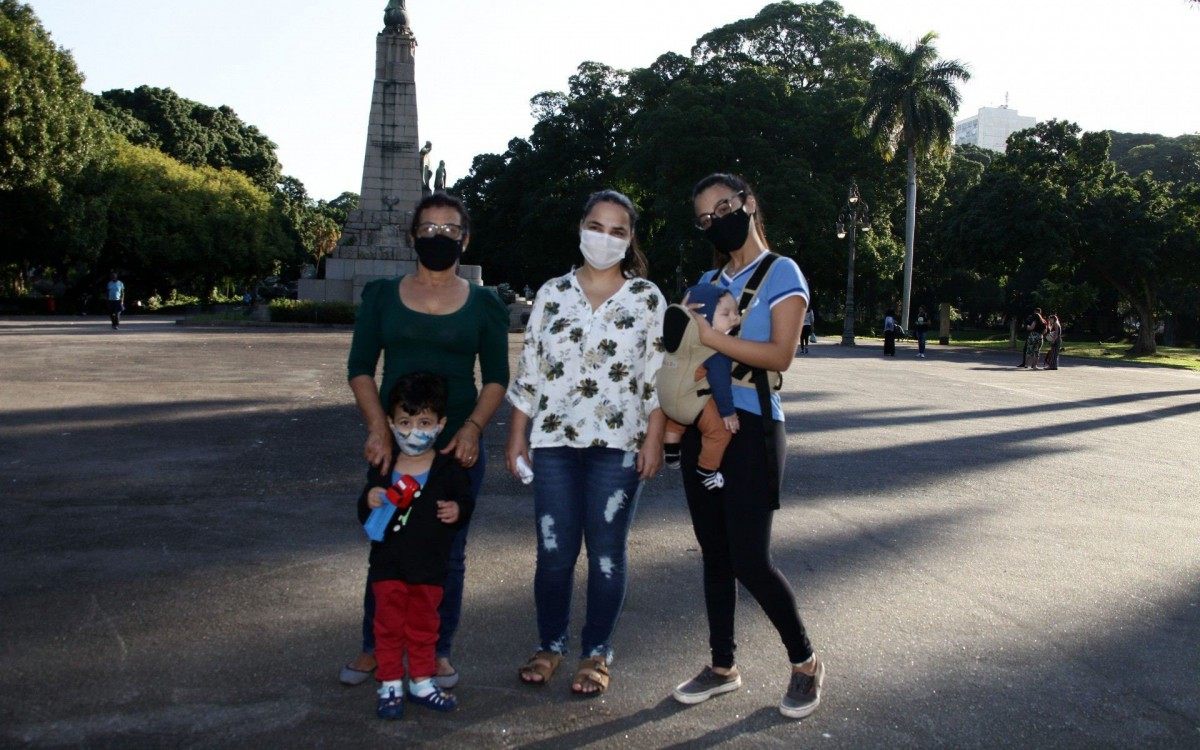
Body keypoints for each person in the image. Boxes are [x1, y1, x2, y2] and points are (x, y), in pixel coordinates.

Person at [342, 191, 509, 690]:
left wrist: (473, 428)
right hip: (395, 446)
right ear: (412, 236)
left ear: (465, 239)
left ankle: (436, 650)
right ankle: (375, 646)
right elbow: (359, 368)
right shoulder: (381, 296)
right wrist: (378, 429)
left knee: (447, 553)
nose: (439, 237)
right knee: (385, 545)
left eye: (450, 229)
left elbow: (496, 378)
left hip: (455, 449)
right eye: (429, 228)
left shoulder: (485, 304)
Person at [671, 173, 822, 720]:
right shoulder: (707, 280)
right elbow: (678, 349)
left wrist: (709, 336)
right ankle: (722, 666)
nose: (715, 221)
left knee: (751, 560)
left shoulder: (783, 272)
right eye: (704, 218)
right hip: (702, 424)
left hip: (755, 426)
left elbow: (781, 355)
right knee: (714, 553)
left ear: (749, 204)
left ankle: (805, 661)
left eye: (723, 208)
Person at [506, 189, 665, 696]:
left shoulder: (647, 299)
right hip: (553, 443)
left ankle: (596, 653)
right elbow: (530, 369)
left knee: (606, 555)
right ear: (580, 228)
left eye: (618, 231)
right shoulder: (552, 293)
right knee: (554, 552)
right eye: (596, 226)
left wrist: (655, 439)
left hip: (619, 447)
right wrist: (516, 435)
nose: (605, 238)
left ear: (630, 239)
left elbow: (657, 377)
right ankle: (549, 644)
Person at [358, 373, 473, 719]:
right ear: (391, 423)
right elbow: (364, 512)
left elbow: (465, 503)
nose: (413, 432)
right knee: (388, 627)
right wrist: (371, 498)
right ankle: (390, 683)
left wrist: (457, 510)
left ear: (441, 425)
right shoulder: (384, 465)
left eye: (424, 423)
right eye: (405, 423)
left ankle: (422, 681)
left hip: (429, 569)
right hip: (387, 567)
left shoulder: (448, 470)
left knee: (424, 628)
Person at [662, 285, 741, 489]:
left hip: (668, 404)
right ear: (703, 318)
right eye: (726, 313)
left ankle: (671, 450)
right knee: (720, 431)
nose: (734, 318)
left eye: (736, 311)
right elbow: (720, 383)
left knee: (678, 418)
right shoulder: (715, 350)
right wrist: (728, 413)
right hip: (689, 406)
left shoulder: (679, 339)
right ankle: (707, 470)